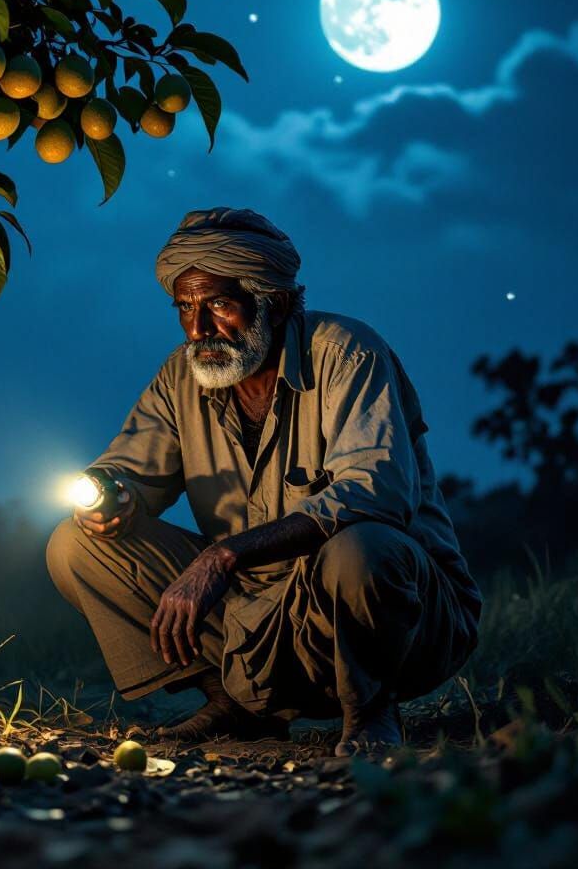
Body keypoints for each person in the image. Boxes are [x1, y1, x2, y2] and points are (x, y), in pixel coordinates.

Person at [46, 207, 482, 755]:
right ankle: (234, 706)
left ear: (271, 302)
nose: (199, 329)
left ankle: (370, 711)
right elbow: (130, 470)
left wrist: (223, 556)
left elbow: (377, 491)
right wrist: (112, 494)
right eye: (185, 307)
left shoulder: (347, 351)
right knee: (76, 545)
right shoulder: (182, 374)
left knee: (363, 545)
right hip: (253, 616)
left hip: (399, 614)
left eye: (219, 304)